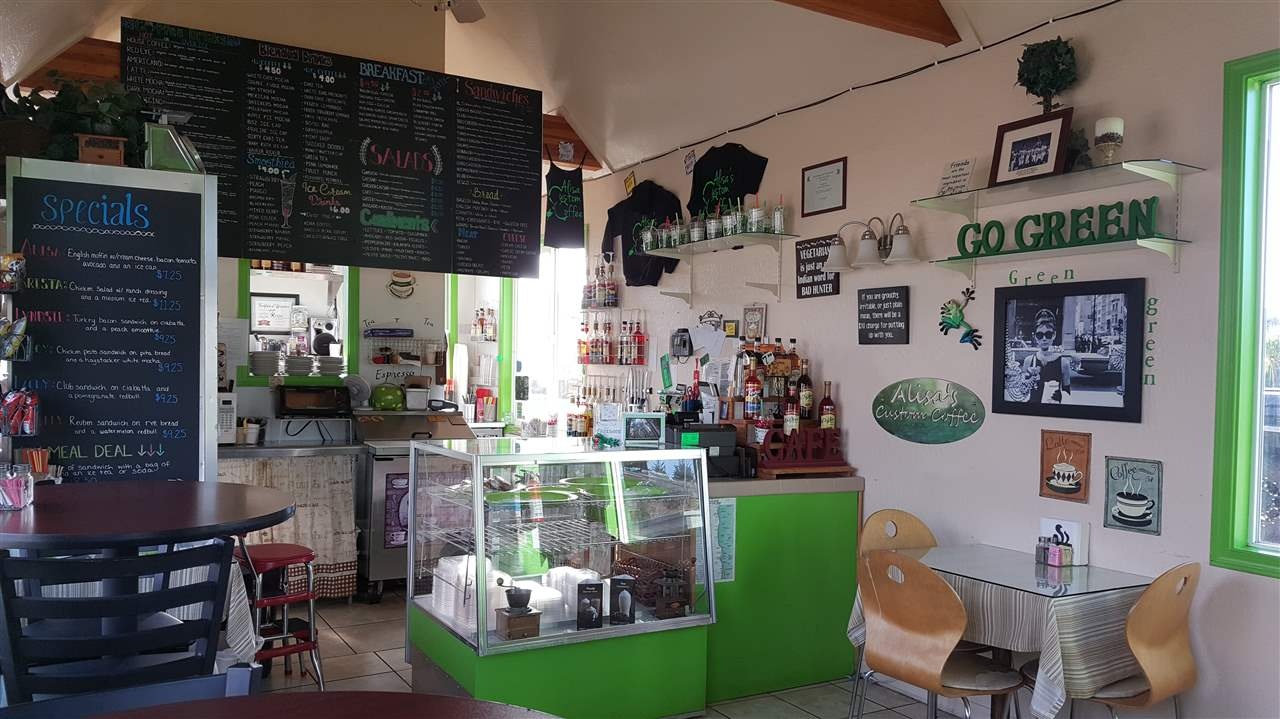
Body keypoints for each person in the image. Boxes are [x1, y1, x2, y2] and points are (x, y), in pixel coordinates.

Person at [1019, 308, 1073, 403]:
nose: (1044, 339)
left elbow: (1067, 393)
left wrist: (1061, 396)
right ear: (1035, 337)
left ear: (1054, 335)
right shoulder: (1028, 361)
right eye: (1040, 335)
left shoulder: (1063, 363)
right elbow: (1023, 392)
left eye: (1048, 334)